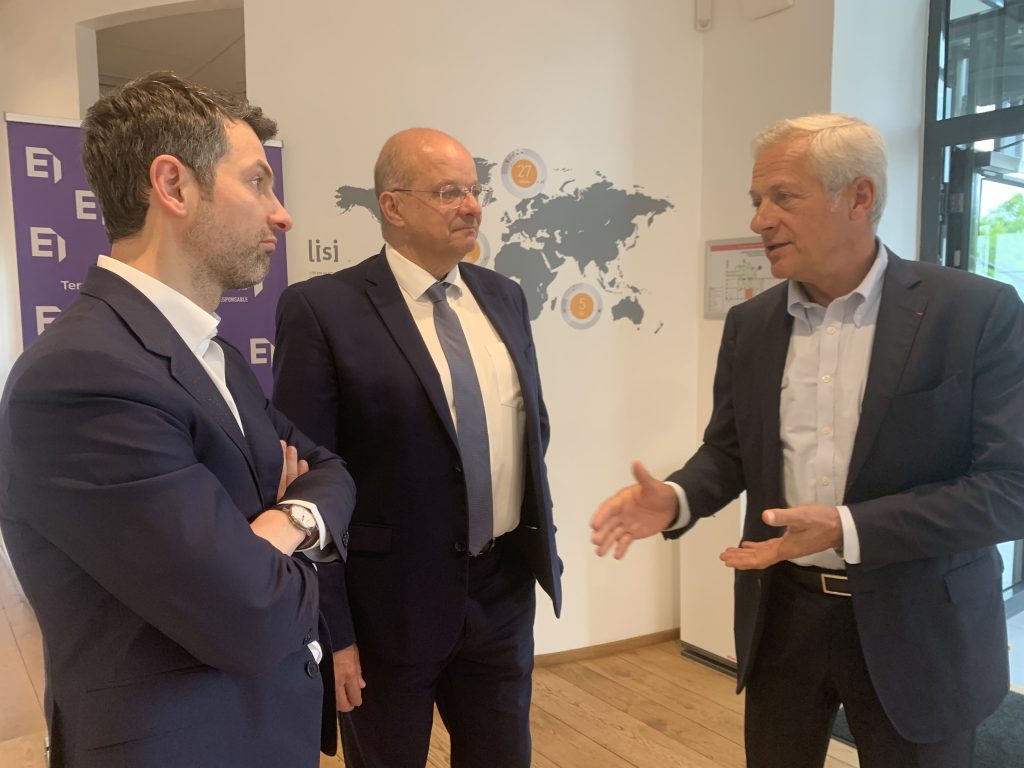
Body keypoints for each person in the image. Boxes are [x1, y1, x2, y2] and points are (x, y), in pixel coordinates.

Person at [590, 114, 1024, 768]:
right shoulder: (752, 324)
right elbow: (730, 451)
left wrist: (848, 528)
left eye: (783, 198)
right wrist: (678, 498)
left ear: (859, 197)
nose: (760, 219)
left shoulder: (975, 312)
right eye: (756, 200)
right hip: (783, 618)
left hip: (920, 627)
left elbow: (1010, 488)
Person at [0, 72, 356, 768]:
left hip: (263, 731)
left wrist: (284, 522)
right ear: (173, 184)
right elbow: (250, 615)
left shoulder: (212, 352)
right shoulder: (80, 376)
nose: (281, 215)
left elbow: (331, 470)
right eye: (257, 182)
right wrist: (279, 544)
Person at [272, 127, 561, 768]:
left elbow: (529, 432)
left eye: (475, 191)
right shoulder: (321, 310)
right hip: (387, 610)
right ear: (393, 206)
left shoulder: (504, 297)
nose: (472, 206)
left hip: (502, 592)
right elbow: (307, 482)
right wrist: (333, 630)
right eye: (449, 192)